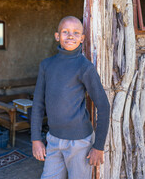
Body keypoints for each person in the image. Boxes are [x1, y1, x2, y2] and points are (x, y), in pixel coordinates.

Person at [31, 16, 110, 179]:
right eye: (65, 32)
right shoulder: (46, 65)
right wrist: (35, 139)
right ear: (57, 36)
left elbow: (103, 106)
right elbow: (38, 104)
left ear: (82, 38)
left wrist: (99, 146)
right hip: (53, 139)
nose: (70, 36)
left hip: (79, 143)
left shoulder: (84, 67)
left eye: (76, 33)